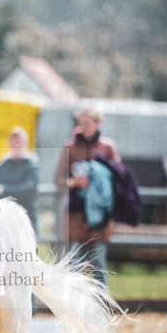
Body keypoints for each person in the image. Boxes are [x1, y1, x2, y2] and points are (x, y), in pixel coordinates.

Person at [54, 105, 120, 287]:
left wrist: (99, 182)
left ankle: (101, 307)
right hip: (75, 213)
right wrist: (74, 182)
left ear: (97, 123)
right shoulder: (69, 147)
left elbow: (119, 177)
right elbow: (59, 179)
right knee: (75, 263)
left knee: (98, 263)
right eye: (81, 123)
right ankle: (74, 307)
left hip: (100, 215)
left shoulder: (107, 148)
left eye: (88, 122)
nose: (83, 126)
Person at [0, 126, 40, 236]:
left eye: (19, 142)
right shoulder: (1, 166)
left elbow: (29, 190)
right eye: (13, 142)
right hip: (3, 219)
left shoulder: (31, 165)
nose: (16, 145)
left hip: (26, 218)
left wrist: (4, 189)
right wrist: (15, 188)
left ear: (26, 144)